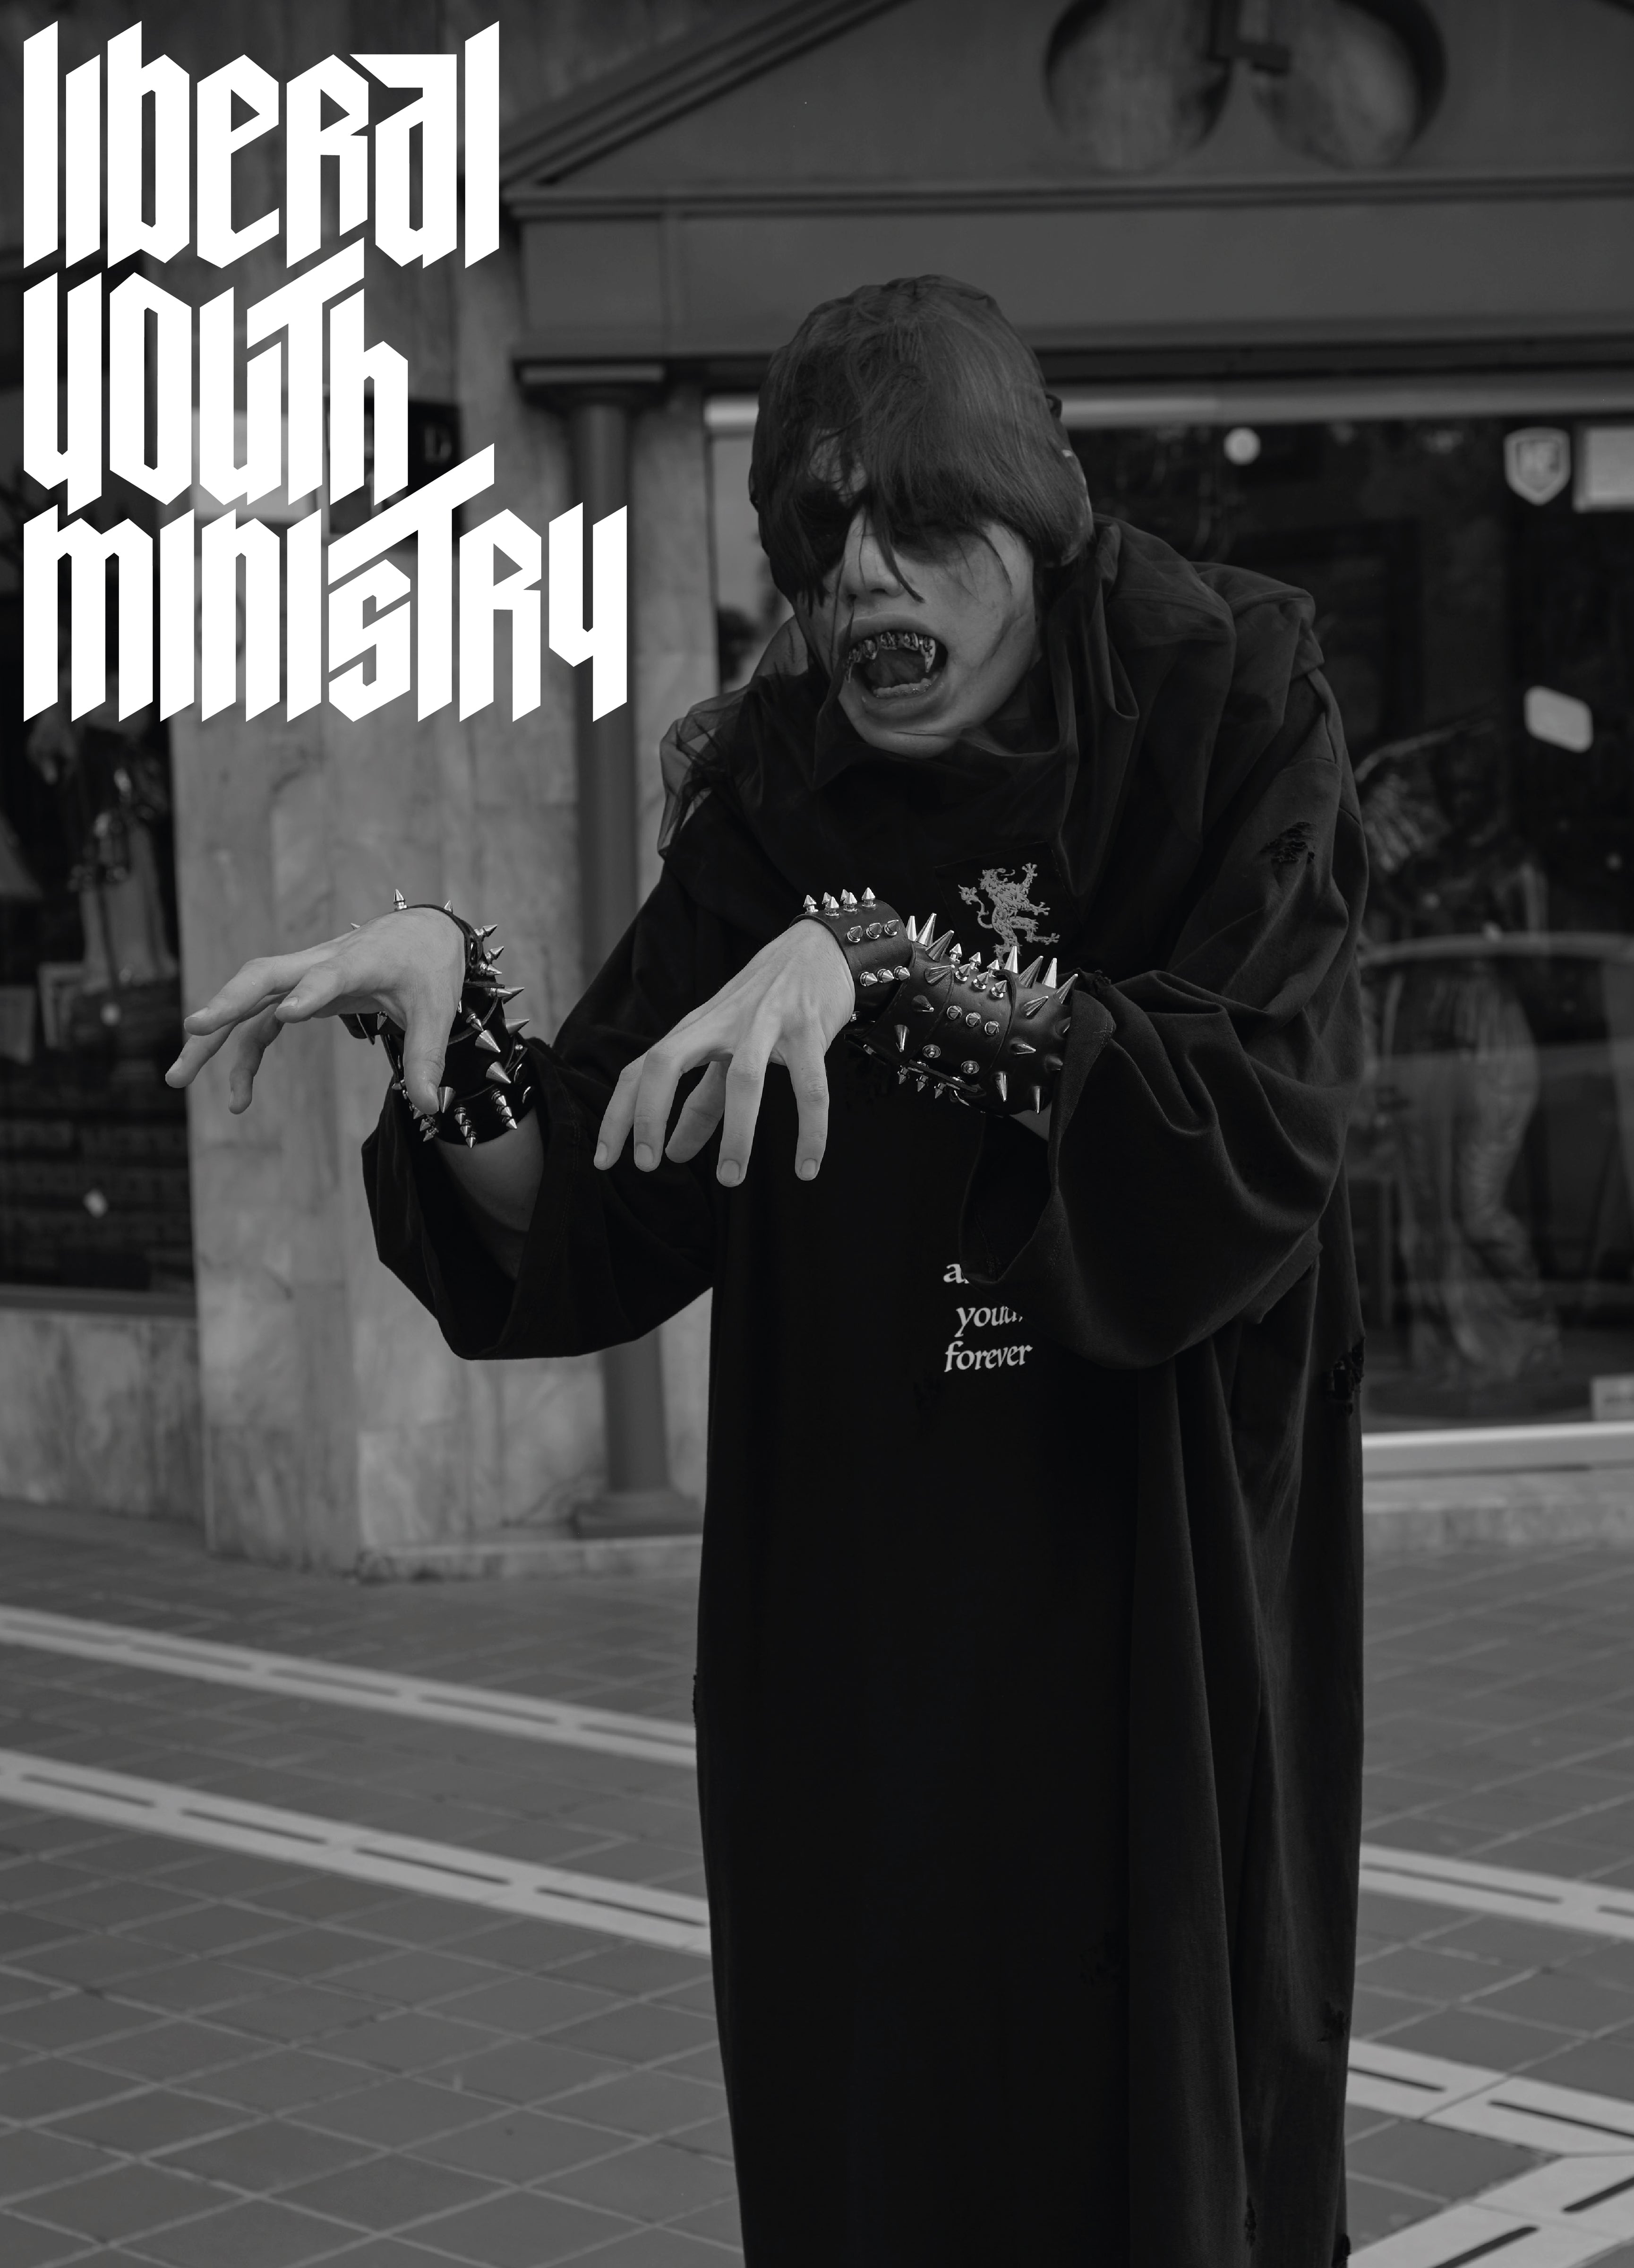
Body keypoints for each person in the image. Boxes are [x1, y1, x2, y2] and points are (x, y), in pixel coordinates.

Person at [169, 275, 1369, 2268]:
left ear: (1033, 510)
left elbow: (1262, 1114)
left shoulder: (1224, 699)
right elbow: (593, 1209)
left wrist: (887, 968)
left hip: (1153, 1587)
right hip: (860, 1607)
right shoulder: (780, 791)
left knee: (1161, 2136)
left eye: (919, 521)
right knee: (875, 2131)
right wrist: (446, 1018)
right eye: (821, 538)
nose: (865, 579)